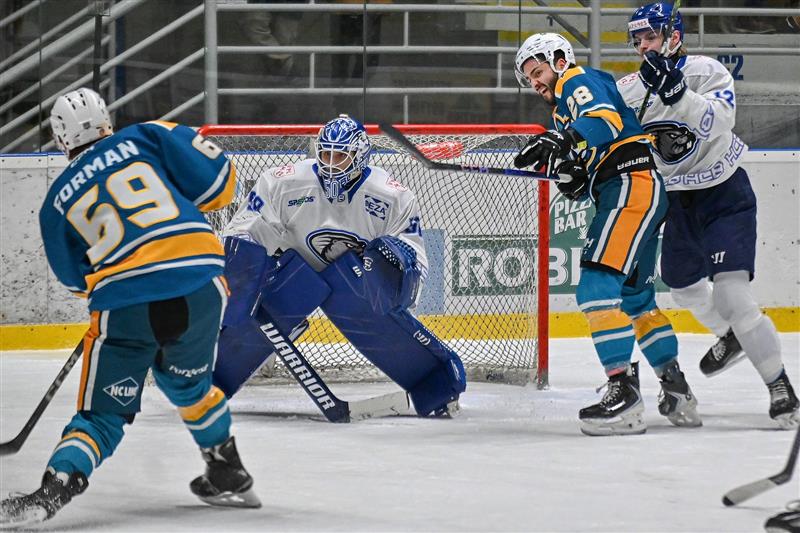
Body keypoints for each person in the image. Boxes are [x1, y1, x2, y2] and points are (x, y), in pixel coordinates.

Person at [0, 88, 260, 528]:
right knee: (190, 388)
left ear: (61, 139)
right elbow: (222, 184)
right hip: (200, 282)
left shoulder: (56, 200)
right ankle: (226, 468)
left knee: (103, 414)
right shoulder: (148, 136)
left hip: (126, 300)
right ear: (106, 120)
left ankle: (55, 488)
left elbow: (76, 281)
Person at [212, 114, 466, 418]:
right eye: (326, 154)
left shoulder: (391, 195)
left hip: (355, 281)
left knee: (376, 293)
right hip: (292, 274)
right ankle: (208, 380)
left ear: (360, 156)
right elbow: (242, 231)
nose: (331, 163)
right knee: (253, 274)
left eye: (340, 156)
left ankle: (435, 384)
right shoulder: (284, 181)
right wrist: (241, 281)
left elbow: (415, 256)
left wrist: (396, 270)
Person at [618, 2, 799, 429]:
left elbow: (721, 120)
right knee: (681, 286)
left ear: (673, 35)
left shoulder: (706, 71)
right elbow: (608, 135)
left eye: (651, 36)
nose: (644, 46)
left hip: (724, 194)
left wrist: (678, 94)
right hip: (678, 200)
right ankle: (732, 335)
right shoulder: (629, 89)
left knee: (732, 297)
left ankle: (780, 387)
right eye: (638, 39)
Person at [513, 33, 700, 436]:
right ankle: (677, 390)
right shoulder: (565, 113)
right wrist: (568, 171)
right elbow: (584, 172)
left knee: (596, 287)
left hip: (629, 185)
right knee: (636, 299)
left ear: (560, 60)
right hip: (633, 187)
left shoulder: (576, 82)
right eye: (529, 79)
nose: (536, 83)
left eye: (538, 71)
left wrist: (561, 140)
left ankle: (624, 396)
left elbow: (604, 122)